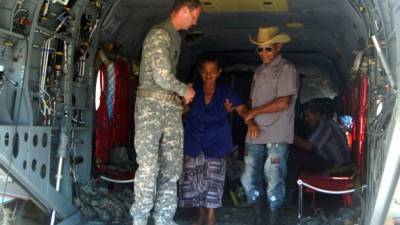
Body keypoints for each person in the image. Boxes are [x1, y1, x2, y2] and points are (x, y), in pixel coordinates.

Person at [130, 1, 202, 225]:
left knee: (172, 169)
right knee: (149, 167)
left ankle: (163, 219)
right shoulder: (159, 34)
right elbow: (161, 77)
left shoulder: (176, 37)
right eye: (194, 16)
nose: (195, 22)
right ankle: (140, 220)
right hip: (151, 107)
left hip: (170, 107)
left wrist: (180, 93)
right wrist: (184, 89)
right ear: (183, 11)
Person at [178, 58, 259, 225]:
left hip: (216, 142)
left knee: (214, 180)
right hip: (194, 141)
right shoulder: (192, 90)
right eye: (205, 71)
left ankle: (211, 217)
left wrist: (250, 122)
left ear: (219, 72)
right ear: (201, 73)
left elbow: (242, 108)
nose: (209, 75)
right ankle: (201, 213)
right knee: (193, 180)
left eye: (212, 71)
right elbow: (182, 111)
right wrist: (184, 104)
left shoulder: (225, 91)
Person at [240, 26, 299, 225]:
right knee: (248, 178)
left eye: (268, 49)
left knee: (273, 179)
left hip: (276, 134)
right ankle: (258, 218)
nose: (263, 53)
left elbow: (284, 102)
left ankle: (273, 220)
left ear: (278, 46)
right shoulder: (258, 71)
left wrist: (253, 113)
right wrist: (249, 120)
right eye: (260, 49)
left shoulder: (286, 69)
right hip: (255, 132)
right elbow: (250, 103)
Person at [286, 100, 352, 195]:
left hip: (337, 165)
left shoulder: (325, 125)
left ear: (317, 114)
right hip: (331, 161)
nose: (306, 119)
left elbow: (308, 147)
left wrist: (288, 135)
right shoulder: (325, 123)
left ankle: (290, 192)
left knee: (294, 156)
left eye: (308, 116)